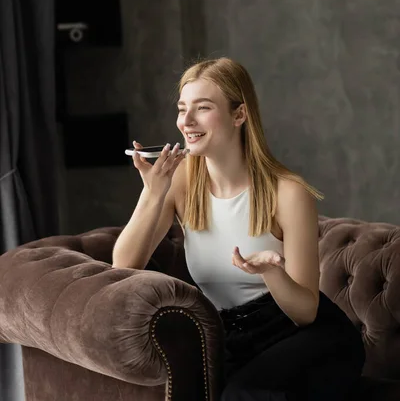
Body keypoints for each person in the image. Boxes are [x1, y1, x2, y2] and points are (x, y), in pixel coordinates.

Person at [121, 57, 366, 401]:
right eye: (182, 109)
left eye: (202, 108)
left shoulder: (288, 193)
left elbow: (306, 313)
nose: (186, 122)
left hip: (305, 336)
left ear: (239, 115)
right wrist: (152, 194)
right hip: (230, 336)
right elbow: (124, 267)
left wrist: (272, 273)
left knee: (243, 395)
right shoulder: (179, 181)